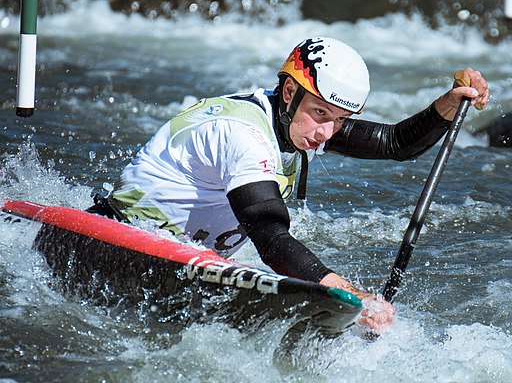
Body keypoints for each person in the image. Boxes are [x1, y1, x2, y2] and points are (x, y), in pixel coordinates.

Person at [88, 36, 490, 332]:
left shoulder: (302, 122)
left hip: (186, 255)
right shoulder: (244, 134)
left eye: (341, 120)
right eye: (321, 114)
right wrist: (348, 294)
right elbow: (269, 234)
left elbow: (395, 143)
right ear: (290, 91)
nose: (327, 133)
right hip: (115, 242)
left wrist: (447, 106)